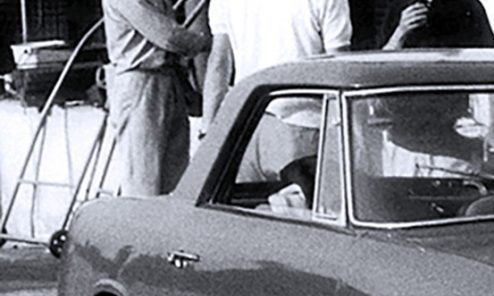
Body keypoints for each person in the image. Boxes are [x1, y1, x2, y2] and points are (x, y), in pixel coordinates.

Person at [201, 0, 352, 182]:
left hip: (246, 124)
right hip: (301, 126)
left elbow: (219, 63)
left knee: (244, 199)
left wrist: (207, 132)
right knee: (301, 198)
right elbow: (338, 69)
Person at [101, 0, 211, 197]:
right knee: (144, 179)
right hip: (140, 82)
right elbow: (167, 36)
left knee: (176, 176)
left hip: (168, 77)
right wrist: (209, 42)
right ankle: (143, 219)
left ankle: (171, 217)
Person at [378, 0, 494, 162]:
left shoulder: (468, 7)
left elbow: (493, 70)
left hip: (453, 133)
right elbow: (378, 67)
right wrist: (401, 31)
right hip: (402, 139)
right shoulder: (399, 6)